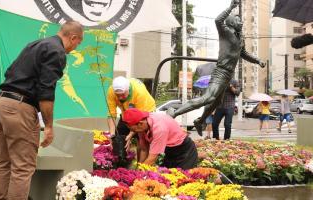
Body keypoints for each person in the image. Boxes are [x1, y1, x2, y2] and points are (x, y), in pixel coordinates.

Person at [0, 21, 84, 200]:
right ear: (73, 37)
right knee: (23, 167)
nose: (75, 48)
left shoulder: (35, 44)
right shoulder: (57, 52)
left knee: (5, 163)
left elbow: (10, 72)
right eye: (78, 43)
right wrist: (49, 126)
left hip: (1, 102)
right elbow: (46, 91)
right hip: (20, 108)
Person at [168, 0, 265, 136]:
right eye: (238, 20)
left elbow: (244, 54)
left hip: (228, 76)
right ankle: (175, 112)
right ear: (231, 22)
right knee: (208, 98)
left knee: (216, 102)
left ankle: (200, 121)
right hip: (220, 72)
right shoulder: (226, 32)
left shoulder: (239, 38)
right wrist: (231, 7)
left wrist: (258, 60)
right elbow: (218, 20)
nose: (241, 22)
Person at [122, 108, 198, 169]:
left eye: (133, 129)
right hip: (170, 151)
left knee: (183, 179)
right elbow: (144, 149)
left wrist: (138, 173)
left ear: (140, 123)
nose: (133, 131)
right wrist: (139, 168)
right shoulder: (142, 125)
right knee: (167, 177)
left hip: (184, 151)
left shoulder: (159, 129)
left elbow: (152, 158)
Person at [107, 76, 156, 142]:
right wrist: (112, 135)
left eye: (123, 94)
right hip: (127, 112)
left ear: (128, 89)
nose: (120, 98)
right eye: (118, 95)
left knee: (142, 140)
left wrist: (130, 135)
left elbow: (140, 118)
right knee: (119, 138)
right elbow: (111, 114)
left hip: (145, 112)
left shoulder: (139, 92)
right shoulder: (111, 91)